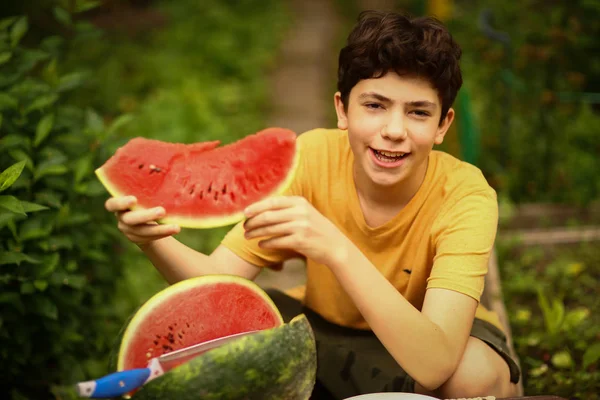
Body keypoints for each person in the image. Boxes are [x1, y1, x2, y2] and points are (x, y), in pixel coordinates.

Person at [105, 10, 521, 399]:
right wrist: (151, 240)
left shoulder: (467, 195)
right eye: (375, 106)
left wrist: (335, 248)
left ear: (442, 125)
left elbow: (435, 362)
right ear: (342, 109)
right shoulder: (311, 157)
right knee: (209, 342)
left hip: (430, 342)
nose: (394, 131)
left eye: (417, 112)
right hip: (323, 328)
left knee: (472, 377)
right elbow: (218, 282)